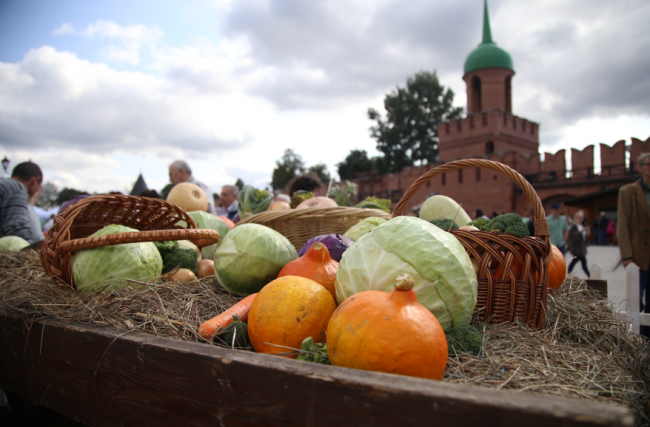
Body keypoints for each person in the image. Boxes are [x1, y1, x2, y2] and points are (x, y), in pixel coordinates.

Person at [617, 152, 650, 322]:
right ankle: (637, 338)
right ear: (640, 168)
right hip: (637, 256)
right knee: (635, 302)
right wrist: (627, 256)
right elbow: (622, 225)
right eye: (649, 164)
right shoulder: (628, 192)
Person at [0, 161, 43, 243]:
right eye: (39, 186)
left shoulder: (4, 185)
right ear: (34, 181)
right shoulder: (16, 187)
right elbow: (17, 229)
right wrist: (33, 252)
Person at [567, 210, 590, 278]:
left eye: (581, 217)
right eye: (579, 217)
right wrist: (581, 231)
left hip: (581, 247)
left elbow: (585, 237)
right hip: (577, 248)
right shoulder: (574, 226)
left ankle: (569, 274)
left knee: (577, 262)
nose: (580, 219)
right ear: (576, 217)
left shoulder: (583, 226)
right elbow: (573, 236)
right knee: (580, 262)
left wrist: (587, 233)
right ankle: (589, 276)